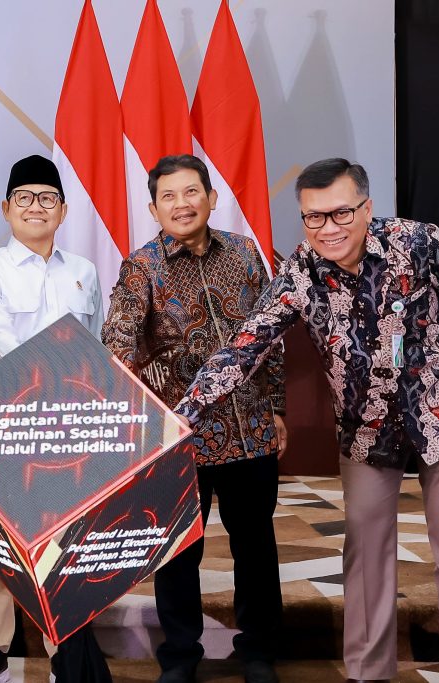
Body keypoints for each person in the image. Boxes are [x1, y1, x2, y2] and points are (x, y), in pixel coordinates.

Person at [176, 158, 439, 683]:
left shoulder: (418, 243)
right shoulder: (301, 271)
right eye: (313, 217)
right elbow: (245, 347)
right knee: (366, 551)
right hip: (366, 427)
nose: (328, 228)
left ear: (367, 208)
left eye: (341, 213)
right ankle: (368, 674)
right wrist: (184, 414)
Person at [102, 155, 286, 683]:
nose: (181, 204)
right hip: (180, 436)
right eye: (169, 197)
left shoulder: (247, 252)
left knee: (255, 544)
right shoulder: (143, 267)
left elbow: (269, 335)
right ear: (153, 206)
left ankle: (259, 652)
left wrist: (277, 409)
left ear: (210, 196)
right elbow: (119, 339)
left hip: (250, 430)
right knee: (179, 551)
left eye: (191, 192)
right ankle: (180, 656)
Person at [0, 154, 109, 683]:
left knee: (68, 535)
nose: (36, 207)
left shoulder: (84, 272)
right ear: (6, 208)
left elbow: (95, 344)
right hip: (9, 419)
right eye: (24, 197)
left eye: (47, 198)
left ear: (63, 210)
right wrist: (56, 379)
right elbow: (1, 340)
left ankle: (63, 641)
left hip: (74, 423)